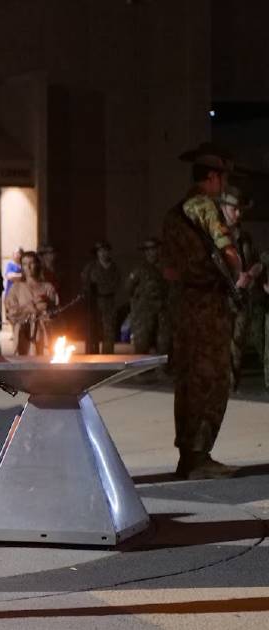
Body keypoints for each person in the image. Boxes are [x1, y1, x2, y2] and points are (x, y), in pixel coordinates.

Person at [162, 142, 256, 480]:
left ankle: (189, 456)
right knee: (212, 380)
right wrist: (236, 274)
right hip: (208, 308)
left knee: (189, 381)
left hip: (185, 307)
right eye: (224, 179)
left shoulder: (174, 213)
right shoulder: (204, 206)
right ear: (213, 177)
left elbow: (169, 267)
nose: (225, 186)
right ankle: (199, 458)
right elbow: (228, 252)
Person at [220, 187, 266, 388]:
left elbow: (255, 261)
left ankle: (232, 387)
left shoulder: (244, 236)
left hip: (241, 299)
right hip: (220, 298)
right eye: (234, 209)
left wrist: (252, 273)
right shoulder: (212, 235)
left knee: (237, 345)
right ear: (223, 207)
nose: (238, 214)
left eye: (241, 210)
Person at [5, 251, 59, 355]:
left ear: (37, 265)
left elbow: (56, 311)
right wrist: (29, 308)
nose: (28, 267)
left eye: (32, 263)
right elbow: (11, 312)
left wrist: (46, 309)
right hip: (23, 335)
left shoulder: (47, 287)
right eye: (25, 264)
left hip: (43, 335)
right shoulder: (16, 288)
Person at [126, 238, 171, 354]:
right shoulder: (139, 269)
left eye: (154, 249)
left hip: (162, 310)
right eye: (149, 249)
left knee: (163, 342)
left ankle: (162, 370)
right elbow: (128, 288)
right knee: (142, 342)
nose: (152, 252)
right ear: (145, 252)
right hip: (144, 312)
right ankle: (142, 370)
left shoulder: (164, 268)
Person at [81, 241, 121, 354]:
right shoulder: (90, 267)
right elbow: (85, 283)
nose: (103, 253)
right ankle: (91, 357)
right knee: (92, 332)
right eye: (100, 251)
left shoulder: (114, 268)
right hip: (94, 303)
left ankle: (107, 358)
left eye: (105, 251)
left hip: (109, 303)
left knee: (109, 333)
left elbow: (117, 284)